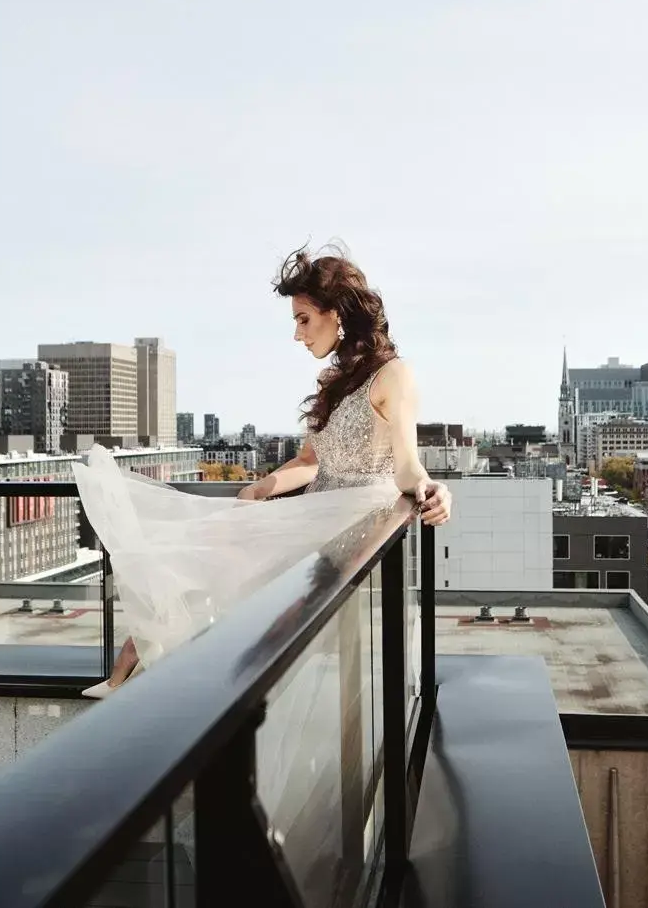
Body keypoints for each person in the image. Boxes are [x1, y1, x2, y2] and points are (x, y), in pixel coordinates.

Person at [77, 245, 451, 698]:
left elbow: (408, 467)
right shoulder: (332, 382)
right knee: (208, 544)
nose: (297, 334)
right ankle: (140, 660)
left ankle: (141, 666)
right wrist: (261, 487)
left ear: (337, 314)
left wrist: (432, 489)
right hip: (320, 512)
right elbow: (311, 461)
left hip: (358, 526)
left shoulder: (394, 375)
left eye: (303, 318)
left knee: (211, 554)